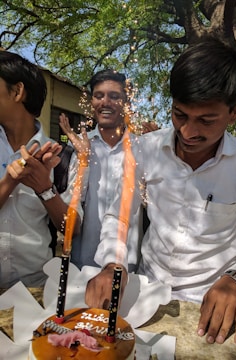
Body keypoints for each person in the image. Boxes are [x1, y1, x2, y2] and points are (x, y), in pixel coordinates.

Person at [84, 38, 236, 345]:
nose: (187, 132)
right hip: (142, 299)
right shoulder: (145, 151)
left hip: (211, 309)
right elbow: (120, 217)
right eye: (180, 115)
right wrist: (113, 264)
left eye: (205, 121)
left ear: (235, 112)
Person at [0, 50, 84, 288]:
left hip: (35, 292)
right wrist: (10, 180)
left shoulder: (63, 158)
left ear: (17, 92)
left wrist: (45, 188)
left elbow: (72, 229)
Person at [59, 69, 144, 272]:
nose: (105, 102)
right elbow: (71, 203)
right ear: (92, 103)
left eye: (114, 96)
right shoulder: (80, 148)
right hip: (83, 265)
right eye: (99, 96)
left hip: (126, 268)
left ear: (127, 103)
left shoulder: (142, 148)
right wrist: (83, 162)